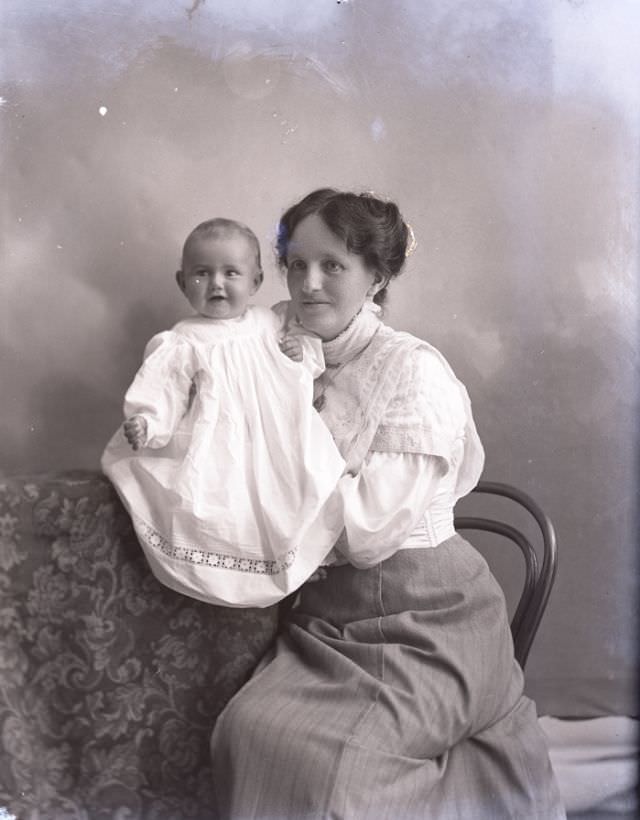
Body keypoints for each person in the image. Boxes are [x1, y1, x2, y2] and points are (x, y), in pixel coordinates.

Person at [210, 189, 565, 819]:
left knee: (337, 764)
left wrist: (286, 416)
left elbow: (367, 535)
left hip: (430, 622)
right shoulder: (284, 348)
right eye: (296, 264)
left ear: (377, 277)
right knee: (249, 729)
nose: (309, 284)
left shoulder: (413, 372)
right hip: (330, 618)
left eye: (334, 266)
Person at [101, 217, 346, 608]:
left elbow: (303, 365)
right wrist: (149, 421)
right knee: (219, 507)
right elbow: (166, 389)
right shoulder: (184, 339)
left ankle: (288, 570)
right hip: (220, 442)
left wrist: (301, 355)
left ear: (256, 282)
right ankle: (227, 578)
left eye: (231, 272)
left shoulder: (270, 322)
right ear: (182, 283)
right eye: (202, 274)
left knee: (286, 497)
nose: (216, 283)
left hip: (271, 441)